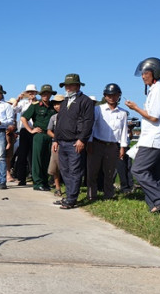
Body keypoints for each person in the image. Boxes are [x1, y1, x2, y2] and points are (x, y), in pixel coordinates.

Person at [125, 57, 160, 213]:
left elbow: (153, 117)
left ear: (154, 72)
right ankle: (157, 206)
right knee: (155, 175)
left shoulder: (159, 90)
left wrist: (135, 108)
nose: (143, 76)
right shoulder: (155, 90)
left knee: (138, 170)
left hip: (154, 140)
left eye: (145, 73)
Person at [53, 74, 95, 209]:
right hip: (62, 141)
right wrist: (55, 139)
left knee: (75, 170)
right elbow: (59, 122)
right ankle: (70, 196)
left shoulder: (85, 101)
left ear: (77, 86)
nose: (67, 88)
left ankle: (71, 199)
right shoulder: (65, 102)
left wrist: (82, 139)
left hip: (75, 142)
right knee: (64, 170)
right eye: (66, 85)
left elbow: (88, 122)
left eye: (70, 85)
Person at [86, 84, 129, 200]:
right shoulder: (98, 109)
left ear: (119, 96)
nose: (112, 97)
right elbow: (92, 126)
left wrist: (122, 147)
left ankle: (108, 195)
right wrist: (89, 142)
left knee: (109, 173)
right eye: (109, 95)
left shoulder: (123, 113)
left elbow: (124, 131)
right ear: (105, 96)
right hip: (97, 143)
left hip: (112, 146)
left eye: (114, 95)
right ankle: (91, 195)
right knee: (92, 171)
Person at [21, 84, 56, 191]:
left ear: (50, 94)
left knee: (47, 159)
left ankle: (45, 182)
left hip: (49, 135)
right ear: (41, 95)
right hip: (39, 135)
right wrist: (31, 130)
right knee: (37, 159)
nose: (46, 95)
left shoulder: (52, 106)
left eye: (48, 93)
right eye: (44, 94)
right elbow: (23, 118)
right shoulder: (36, 105)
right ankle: (37, 183)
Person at [11, 84, 38, 185]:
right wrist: (18, 99)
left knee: (33, 155)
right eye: (29, 92)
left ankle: (35, 177)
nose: (31, 93)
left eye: (33, 92)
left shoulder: (39, 103)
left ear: (36, 93)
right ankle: (22, 178)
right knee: (22, 155)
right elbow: (13, 110)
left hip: (35, 129)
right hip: (24, 130)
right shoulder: (23, 103)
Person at [47, 94, 65, 196]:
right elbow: (48, 131)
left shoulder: (71, 117)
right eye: (55, 104)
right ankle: (58, 188)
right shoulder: (53, 117)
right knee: (55, 167)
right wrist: (56, 138)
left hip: (68, 144)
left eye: (59, 103)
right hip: (56, 145)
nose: (56, 106)